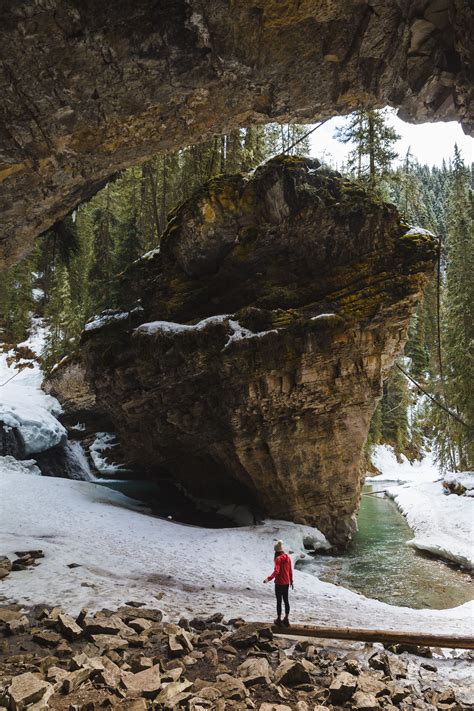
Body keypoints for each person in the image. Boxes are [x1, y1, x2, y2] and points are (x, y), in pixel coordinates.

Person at [263, 539, 293, 626]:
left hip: (279, 583)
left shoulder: (278, 559)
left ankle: (279, 619)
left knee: (279, 601)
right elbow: (290, 570)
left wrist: (268, 579)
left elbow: (276, 571)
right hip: (286, 583)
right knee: (286, 600)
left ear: (276, 551)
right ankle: (286, 619)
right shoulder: (288, 557)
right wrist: (291, 581)